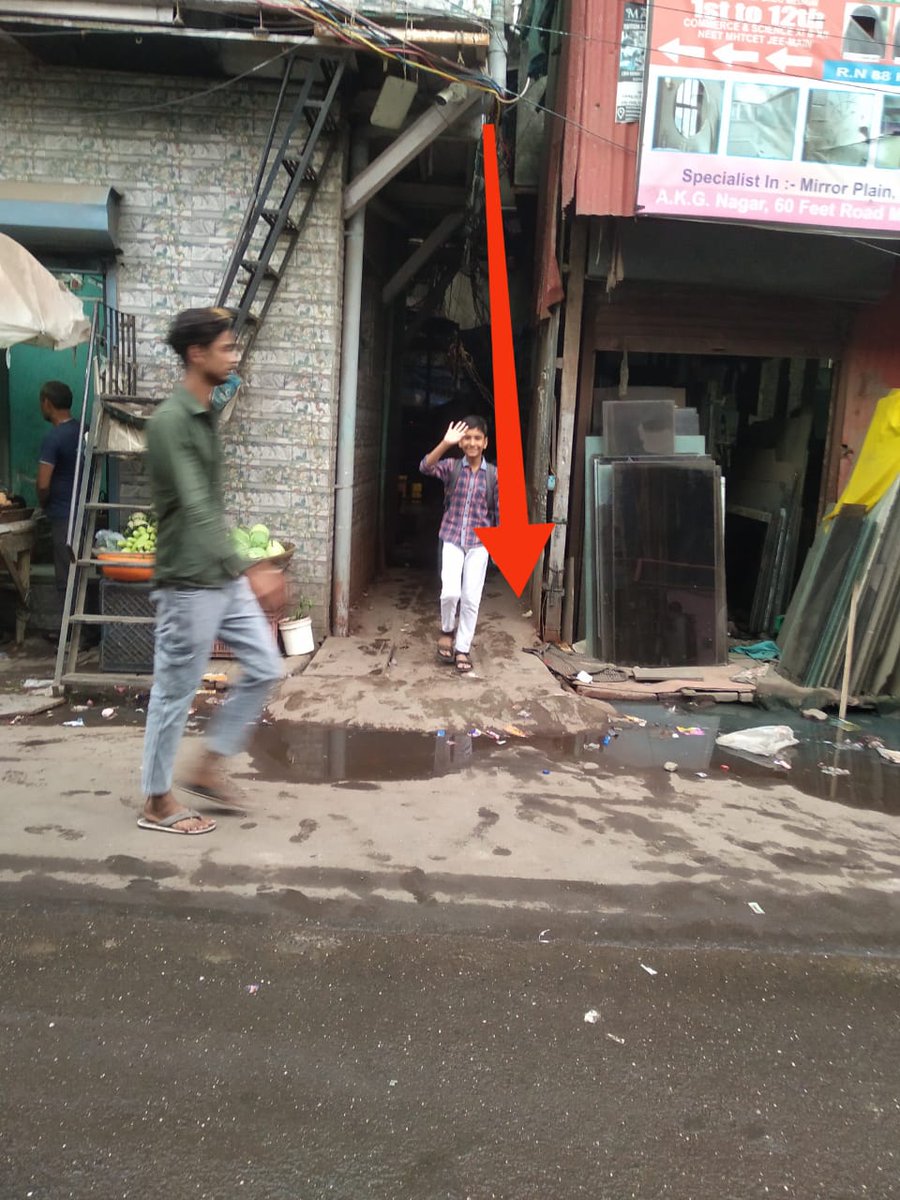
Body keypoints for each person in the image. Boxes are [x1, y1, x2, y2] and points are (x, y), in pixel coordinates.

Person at [138, 307, 284, 836]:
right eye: (226, 348)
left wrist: (239, 567)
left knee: (266, 666)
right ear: (197, 355)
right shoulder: (170, 423)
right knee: (175, 690)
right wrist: (251, 566)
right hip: (187, 582)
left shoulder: (205, 412)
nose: (234, 354)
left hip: (220, 575)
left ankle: (206, 766)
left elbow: (211, 508)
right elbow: (197, 507)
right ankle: (156, 801)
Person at [419, 416, 497, 674]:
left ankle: (462, 648)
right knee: (450, 592)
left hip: (479, 544)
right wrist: (445, 442)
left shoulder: (495, 476)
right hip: (452, 538)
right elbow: (425, 467)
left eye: (477, 438)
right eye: (467, 438)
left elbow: (500, 512)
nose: (472, 443)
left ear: (485, 443)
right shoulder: (452, 467)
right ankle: (446, 630)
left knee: (471, 599)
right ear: (461, 442)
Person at [36, 380, 80, 598]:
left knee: (65, 576)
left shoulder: (53, 438)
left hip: (62, 515)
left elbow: (43, 484)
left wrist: (42, 503)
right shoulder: (84, 429)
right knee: (80, 572)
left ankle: (70, 632)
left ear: (47, 403)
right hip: (83, 512)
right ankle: (84, 631)